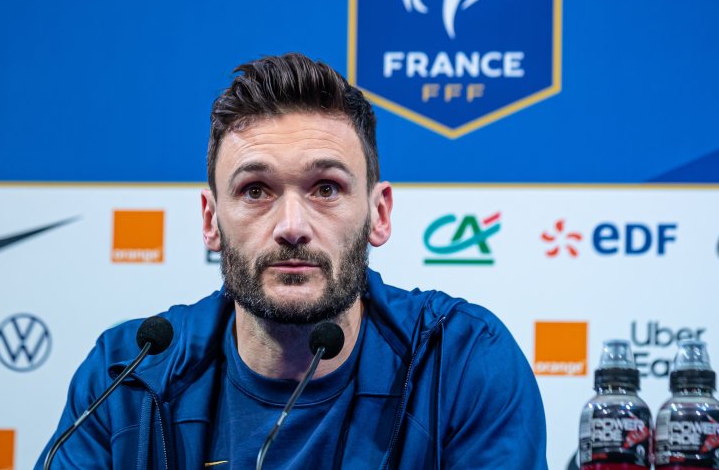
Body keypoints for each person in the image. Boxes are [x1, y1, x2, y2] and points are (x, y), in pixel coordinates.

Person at [36, 53, 547, 469]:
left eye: (326, 188)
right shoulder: (128, 374)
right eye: (256, 190)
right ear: (211, 220)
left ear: (379, 213)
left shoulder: (460, 363)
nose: (292, 226)